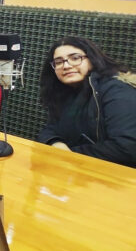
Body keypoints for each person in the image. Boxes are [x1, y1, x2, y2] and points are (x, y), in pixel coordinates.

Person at [37, 36, 136, 167]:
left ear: (92, 60)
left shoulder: (117, 90)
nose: (66, 66)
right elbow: (50, 129)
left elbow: (127, 147)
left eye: (75, 58)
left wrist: (70, 154)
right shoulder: (66, 92)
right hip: (78, 169)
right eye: (59, 62)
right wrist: (55, 143)